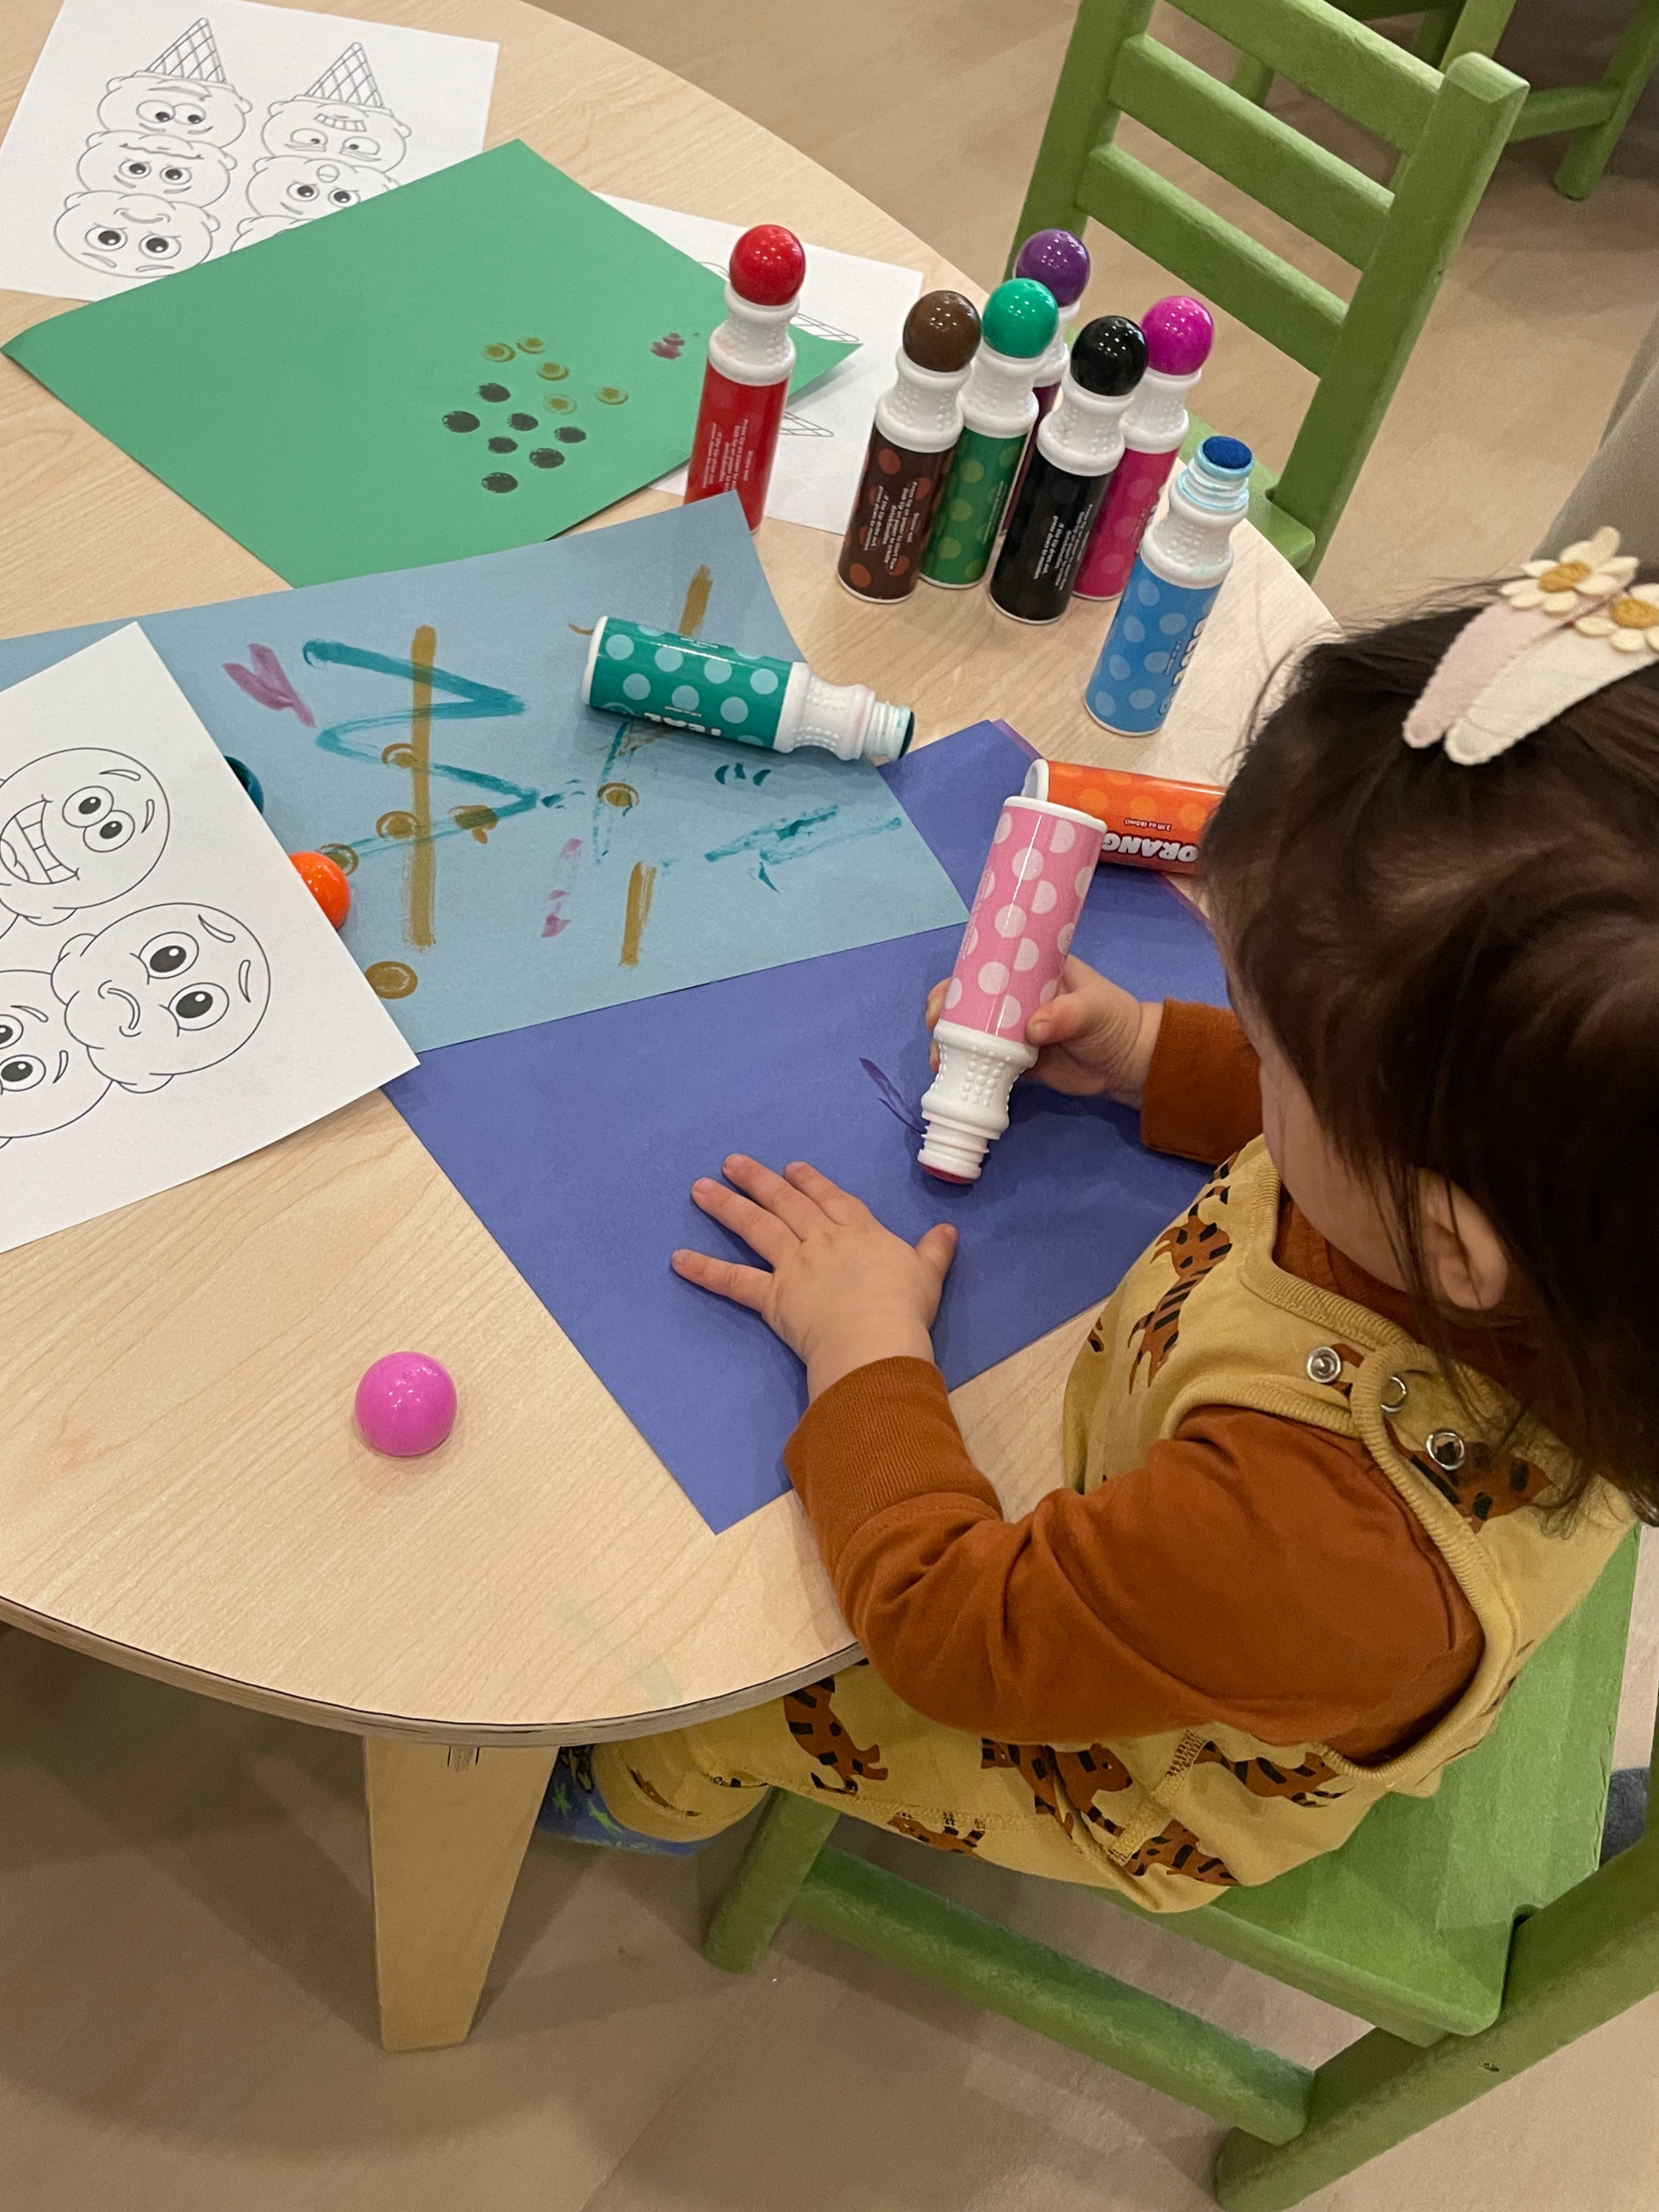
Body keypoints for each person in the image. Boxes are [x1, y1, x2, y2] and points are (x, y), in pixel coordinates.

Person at [539, 530, 1656, 1905]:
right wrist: (1144, 1051)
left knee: (722, 1694)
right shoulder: (1568, 1227)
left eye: (1268, 1048)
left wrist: (865, 1350)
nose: (1249, 1055)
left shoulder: (1315, 1541)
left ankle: (634, 1796)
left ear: (1449, 1244)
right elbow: (1362, 1131)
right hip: (1200, 1559)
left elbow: (955, 1639)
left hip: (1134, 1771)